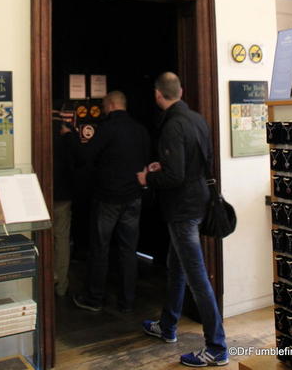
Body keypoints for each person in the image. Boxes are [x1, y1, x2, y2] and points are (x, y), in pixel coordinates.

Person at [137, 72, 228, 368]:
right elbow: (199, 162)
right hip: (199, 201)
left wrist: (148, 176)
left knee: (196, 275)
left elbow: (174, 176)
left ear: (157, 95)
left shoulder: (172, 126)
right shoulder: (198, 119)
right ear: (181, 91)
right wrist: (162, 166)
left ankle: (217, 347)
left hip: (182, 209)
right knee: (176, 267)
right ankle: (168, 326)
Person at [73, 90, 150, 313]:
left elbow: (86, 156)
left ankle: (94, 298)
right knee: (129, 250)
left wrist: (69, 136)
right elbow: (146, 162)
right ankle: (127, 301)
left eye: (105, 106)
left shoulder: (106, 129)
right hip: (134, 197)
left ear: (110, 105)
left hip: (108, 198)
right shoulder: (141, 130)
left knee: (100, 248)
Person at [52, 115, 80, 297]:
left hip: (43, 192)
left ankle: (44, 281)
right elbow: (80, 159)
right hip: (64, 194)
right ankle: (61, 284)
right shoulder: (68, 136)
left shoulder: (39, 128)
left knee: (42, 237)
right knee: (61, 238)